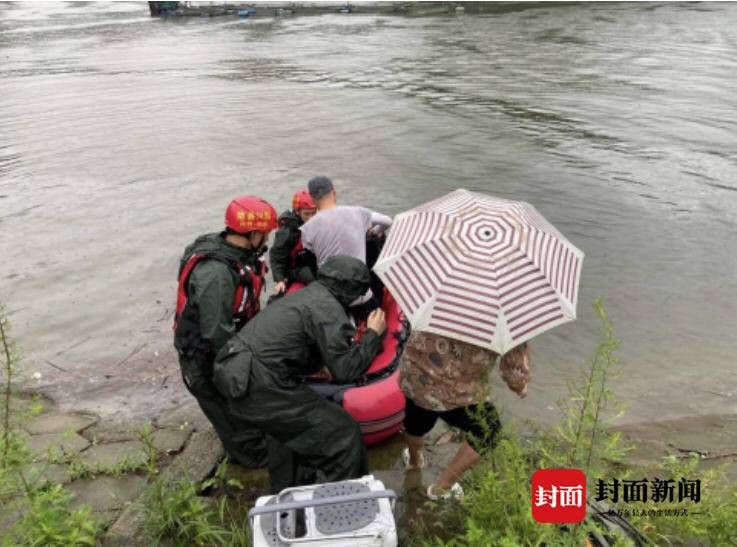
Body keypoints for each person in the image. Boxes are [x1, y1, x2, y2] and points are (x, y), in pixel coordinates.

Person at [211, 256, 387, 493]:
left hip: (235, 373)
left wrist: (315, 367)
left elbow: (287, 344)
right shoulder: (328, 309)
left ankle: (288, 493)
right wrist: (373, 335)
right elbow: (347, 370)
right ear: (350, 290)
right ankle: (346, 504)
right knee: (343, 433)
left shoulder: (307, 295)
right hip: (260, 384)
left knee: (287, 430)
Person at [173, 195, 277, 468]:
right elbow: (216, 331)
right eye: (265, 234)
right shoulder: (216, 274)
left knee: (245, 408)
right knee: (234, 421)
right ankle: (251, 461)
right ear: (253, 234)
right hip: (204, 360)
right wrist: (241, 369)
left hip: (223, 346)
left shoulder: (231, 252)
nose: (267, 239)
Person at [400, 331, 531, 500]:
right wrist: (522, 387)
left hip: (415, 377)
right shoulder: (508, 320)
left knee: (417, 421)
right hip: (453, 393)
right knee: (488, 429)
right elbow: (515, 377)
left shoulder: (442, 303)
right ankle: (441, 489)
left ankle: (414, 461)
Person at [299, 176, 393, 318]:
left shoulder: (306, 229)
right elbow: (387, 221)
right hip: (363, 297)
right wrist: (373, 233)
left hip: (333, 302)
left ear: (312, 199)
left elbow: (311, 255)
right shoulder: (359, 213)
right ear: (334, 192)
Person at [270, 189, 317, 296]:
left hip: (311, 262)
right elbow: (277, 257)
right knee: (307, 275)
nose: (311, 218)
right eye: (306, 214)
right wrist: (280, 280)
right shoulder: (287, 232)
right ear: (297, 212)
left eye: (314, 213)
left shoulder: (318, 223)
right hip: (294, 269)